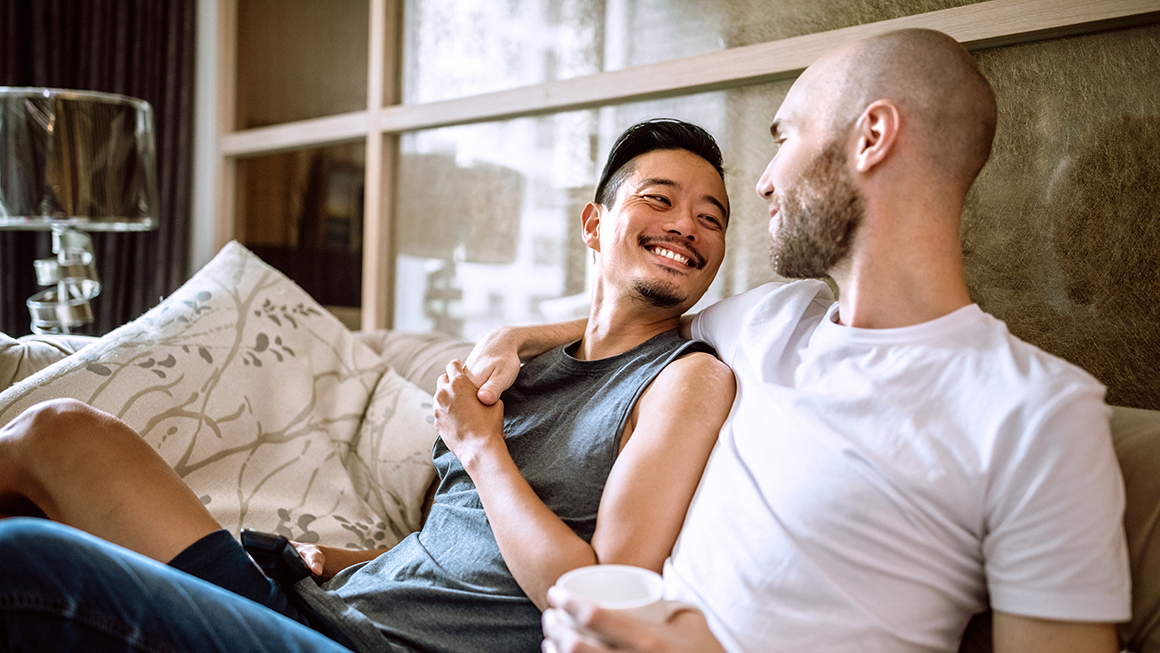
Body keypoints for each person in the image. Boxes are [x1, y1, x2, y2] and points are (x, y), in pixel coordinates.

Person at [466, 29, 1132, 653]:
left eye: (785, 136)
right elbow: (633, 321)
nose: (764, 181)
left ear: (871, 136)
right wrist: (518, 335)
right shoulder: (769, 320)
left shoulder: (1038, 414)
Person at [0, 118, 736, 652]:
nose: (688, 227)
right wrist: (342, 559)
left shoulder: (687, 380)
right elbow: (452, 542)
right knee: (57, 433)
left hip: (368, 647)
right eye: (661, 199)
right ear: (594, 224)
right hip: (315, 600)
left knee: (31, 558)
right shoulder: (527, 360)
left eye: (712, 218)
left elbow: (597, 597)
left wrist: (482, 450)